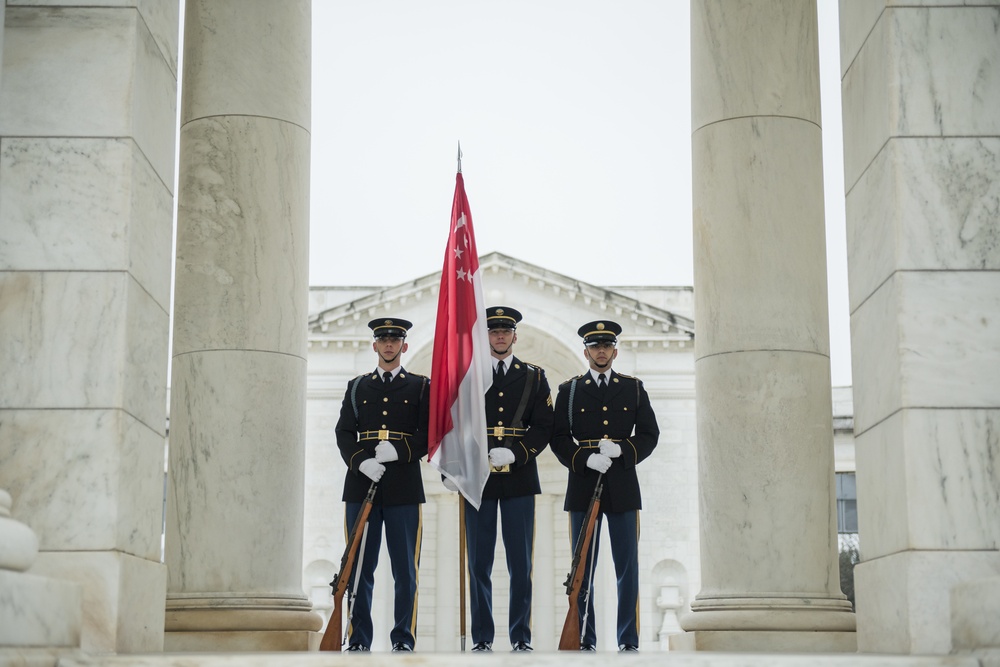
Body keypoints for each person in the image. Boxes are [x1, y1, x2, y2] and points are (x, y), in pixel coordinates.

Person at [551, 320, 659, 653]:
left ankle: (628, 639)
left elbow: (650, 434)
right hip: (584, 485)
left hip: (623, 485)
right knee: (583, 568)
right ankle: (586, 638)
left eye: (607, 346)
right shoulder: (569, 391)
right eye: (595, 347)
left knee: (628, 568)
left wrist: (624, 450)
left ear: (614, 350)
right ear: (586, 352)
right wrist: (584, 458)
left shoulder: (634, 388)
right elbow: (557, 438)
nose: (601, 351)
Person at [454, 307, 554, 653]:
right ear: (486, 336)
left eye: (505, 331)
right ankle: (482, 637)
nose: (499, 336)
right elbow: (456, 424)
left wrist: (519, 453)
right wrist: (455, 467)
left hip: (519, 477)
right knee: (479, 563)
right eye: (493, 331)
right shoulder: (470, 376)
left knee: (520, 564)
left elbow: (544, 425)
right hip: (478, 477)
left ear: (515, 336)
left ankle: (520, 636)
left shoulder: (534, 377)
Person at [335, 318, 429, 653]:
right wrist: (362, 461)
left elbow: (429, 434)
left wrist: (401, 451)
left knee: (406, 570)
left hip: (403, 485)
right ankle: (359, 639)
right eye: (382, 340)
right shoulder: (358, 386)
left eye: (395, 340)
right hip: (362, 484)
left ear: (404, 346)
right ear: (374, 345)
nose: (389, 345)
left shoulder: (420, 386)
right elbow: (344, 432)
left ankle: (403, 638)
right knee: (359, 568)